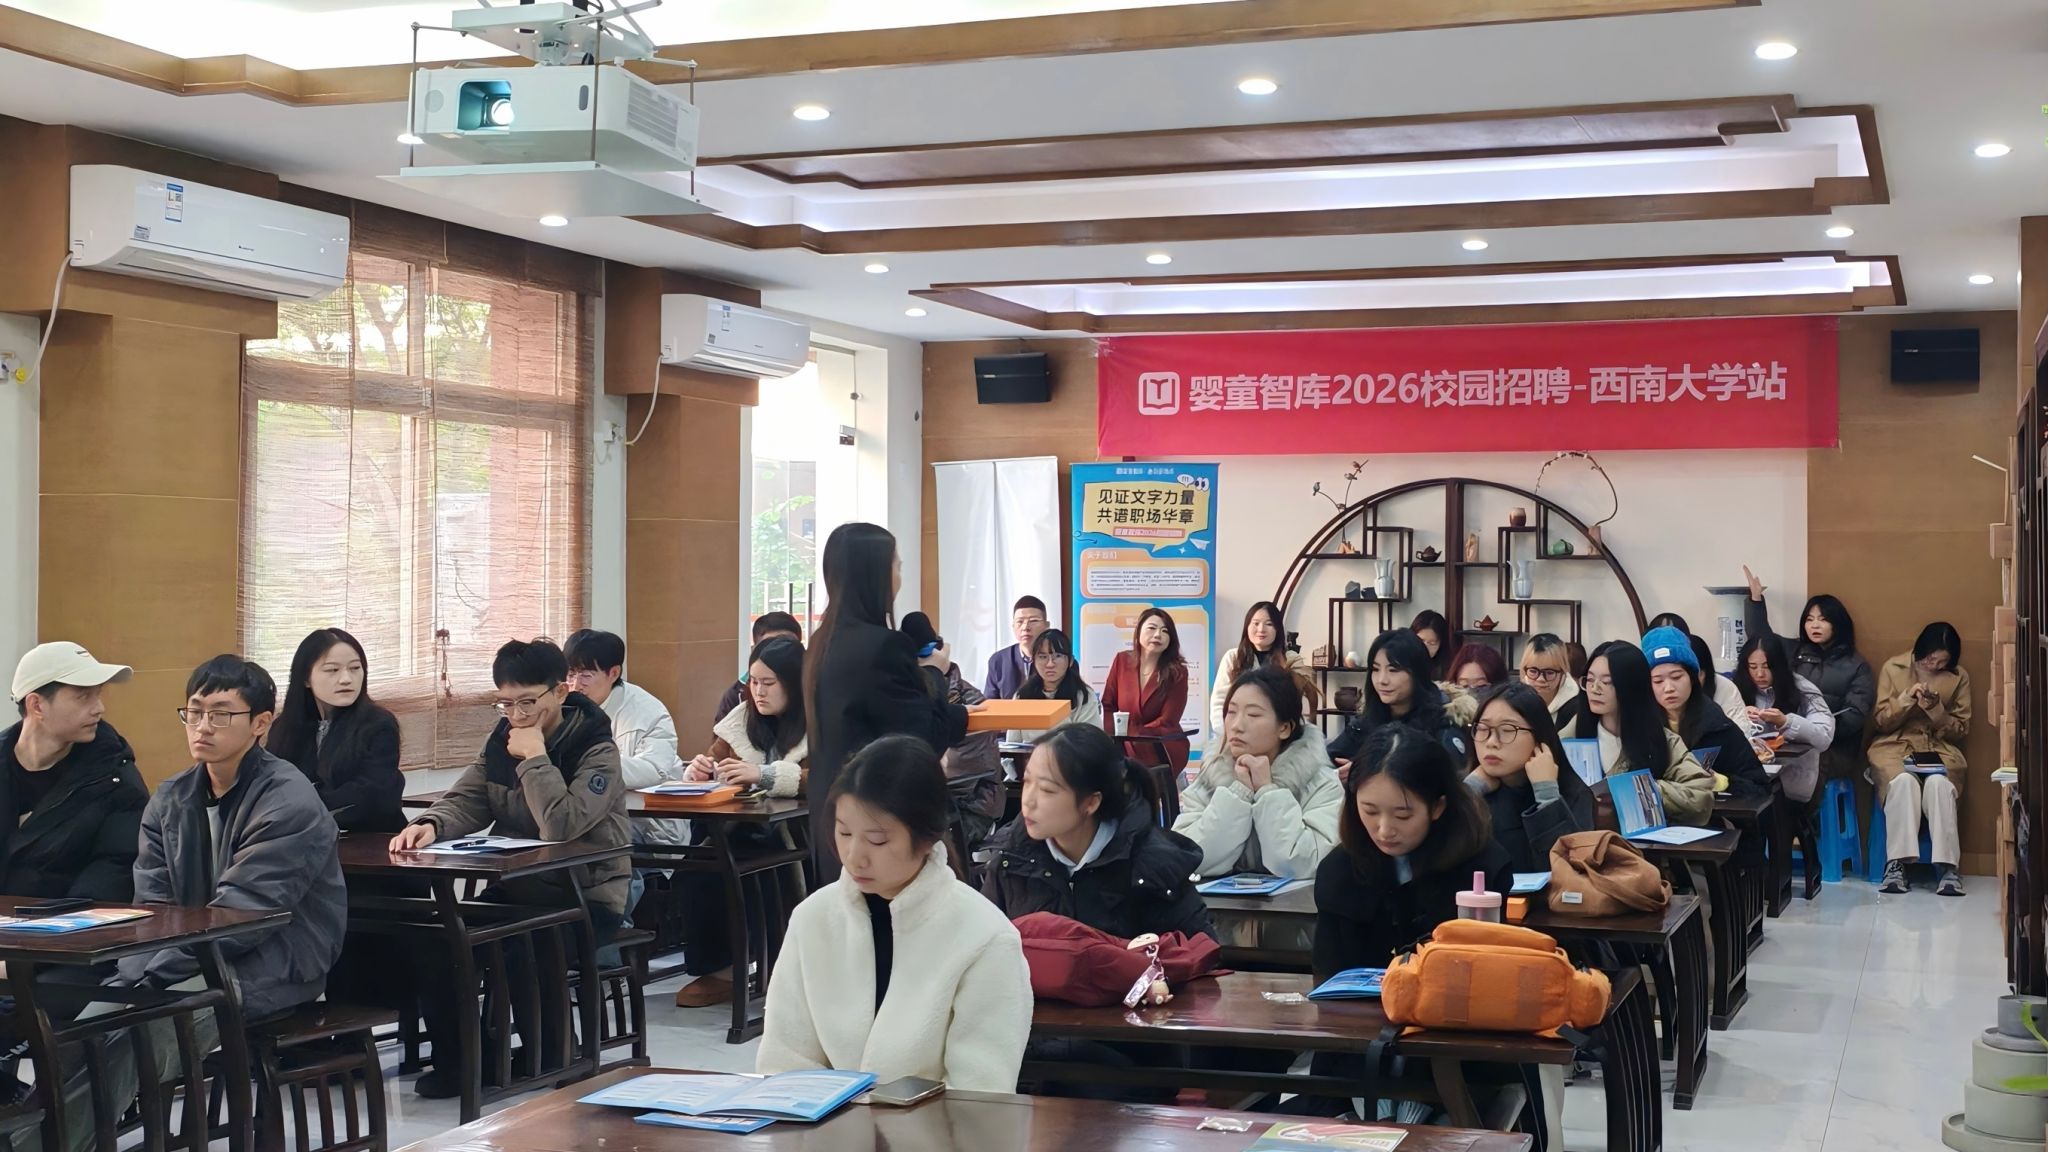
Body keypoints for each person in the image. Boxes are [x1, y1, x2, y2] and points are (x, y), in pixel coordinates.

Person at [394, 638, 632, 1096]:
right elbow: (469, 797)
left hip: (587, 895)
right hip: (521, 888)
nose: (516, 714)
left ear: (559, 691)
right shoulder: (501, 741)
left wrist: (535, 757)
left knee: (525, 943)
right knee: (438, 939)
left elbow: (562, 825)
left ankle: (554, 1054)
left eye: (527, 702)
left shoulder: (596, 748)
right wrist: (430, 824)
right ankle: (467, 1062)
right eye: (505, 703)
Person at [758, 735, 1030, 1093]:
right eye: (844, 832)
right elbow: (783, 1061)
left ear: (927, 837)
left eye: (877, 840)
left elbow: (979, 1094)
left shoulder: (984, 937)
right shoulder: (813, 919)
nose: (854, 856)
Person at [121, 656, 347, 1017]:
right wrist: (137, 974)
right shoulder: (169, 799)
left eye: (221, 715)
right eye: (195, 712)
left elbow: (243, 916)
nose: (203, 727)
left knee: (150, 1019)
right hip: (187, 960)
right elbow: (152, 907)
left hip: (273, 962)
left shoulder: (288, 800)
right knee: (89, 1019)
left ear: (261, 723)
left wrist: (152, 977)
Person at [805, 523, 972, 884]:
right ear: (876, 575)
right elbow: (921, 740)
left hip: (832, 816)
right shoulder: (883, 646)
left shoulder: (820, 643)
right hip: (879, 817)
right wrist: (935, 672)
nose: (899, 577)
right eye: (896, 566)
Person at [1314, 723, 1513, 980]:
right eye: (1370, 811)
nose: (1384, 830)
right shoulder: (1339, 869)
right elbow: (1329, 974)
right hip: (1359, 1004)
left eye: (1403, 815)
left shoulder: (1482, 865)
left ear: (1437, 807)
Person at [982, 723, 1214, 940]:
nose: (1028, 801)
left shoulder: (1153, 868)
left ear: (1091, 802)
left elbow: (1201, 953)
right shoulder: (1010, 860)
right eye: (1027, 782)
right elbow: (982, 947)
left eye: (1046, 790)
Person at [676, 635, 809, 1008]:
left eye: (769, 683)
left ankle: (788, 971)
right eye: (753, 682)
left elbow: (828, 778)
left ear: (795, 683)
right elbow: (715, 760)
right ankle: (721, 971)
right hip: (742, 829)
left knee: (768, 874)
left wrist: (765, 775)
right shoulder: (741, 719)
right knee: (697, 870)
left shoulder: (821, 719)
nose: (759, 692)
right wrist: (701, 772)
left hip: (801, 834)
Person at [2, 642, 148, 901]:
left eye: (98, 694)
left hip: (64, 924)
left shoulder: (116, 779)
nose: (99, 708)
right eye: (83, 696)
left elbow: (115, 870)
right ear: (37, 705)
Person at [1173, 665, 1341, 880]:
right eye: (1231, 712)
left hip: (1297, 902)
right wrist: (1238, 793)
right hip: (1212, 901)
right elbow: (1187, 857)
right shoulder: (1211, 777)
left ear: (1284, 728)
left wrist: (1268, 791)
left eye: (1253, 714)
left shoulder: (1320, 782)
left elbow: (1304, 864)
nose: (1236, 725)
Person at [1742, 566, 1877, 782]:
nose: (1815, 625)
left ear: (1838, 623)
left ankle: (1797, 804)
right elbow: (1762, 640)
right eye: (1809, 619)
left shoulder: (1856, 666)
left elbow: (1854, 717)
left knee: (1804, 767)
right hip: (1785, 739)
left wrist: (1811, 731)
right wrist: (1755, 600)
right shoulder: (1792, 651)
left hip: (1834, 748)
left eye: (1822, 619)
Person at [266, 628, 404, 833]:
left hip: (369, 838)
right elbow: (273, 785)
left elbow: (371, 792)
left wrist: (299, 803)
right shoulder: (284, 727)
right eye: (332, 670)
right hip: (299, 836)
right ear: (305, 678)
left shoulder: (378, 724)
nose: (346, 679)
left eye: (355, 668)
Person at [1870, 623, 1971, 896]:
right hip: (1895, 744)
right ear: (1919, 650)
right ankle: (1897, 864)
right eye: (1929, 659)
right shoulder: (1893, 668)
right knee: (1903, 782)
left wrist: (1936, 709)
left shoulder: (1958, 677)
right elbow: (1880, 721)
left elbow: (1961, 729)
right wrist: (1906, 699)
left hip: (1938, 746)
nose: (1934, 665)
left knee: (1939, 784)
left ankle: (1948, 868)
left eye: (1941, 662)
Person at [1571, 642, 1715, 825]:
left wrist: (1644, 789)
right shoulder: (1569, 737)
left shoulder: (1662, 740)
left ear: (1632, 686)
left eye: (1606, 682)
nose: (1594, 689)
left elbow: (1700, 797)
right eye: (1590, 680)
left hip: (1642, 841)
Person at [565, 628, 686, 846]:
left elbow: (654, 769)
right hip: (588, 814)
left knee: (587, 841)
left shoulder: (648, 711)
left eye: (586, 676)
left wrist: (592, 765)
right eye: (571, 674)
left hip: (647, 824)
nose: (575, 685)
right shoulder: (566, 707)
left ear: (613, 673)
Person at [1464, 683, 1595, 872]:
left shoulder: (1572, 792)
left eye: (1508, 730)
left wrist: (1547, 795)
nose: (1491, 742)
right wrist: (1467, 792)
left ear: (1539, 736)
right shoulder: (1475, 791)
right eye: (1483, 729)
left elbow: (1573, 871)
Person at [1642, 628, 1770, 798]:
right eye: (1658, 681)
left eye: (1677, 677)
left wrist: (1721, 782)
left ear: (1693, 678)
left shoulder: (1717, 725)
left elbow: (1760, 786)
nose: (1669, 688)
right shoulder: (1643, 728)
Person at [1328, 630, 1470, 770]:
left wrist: (1364, 773)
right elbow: (1328, 759)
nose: (1382, 680)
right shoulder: (1367, 720)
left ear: (1417, 673)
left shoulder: (1444, 722)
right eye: (1376, 669)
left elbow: (1445, 778)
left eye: (1393, 670)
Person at [1732, 634, 1836, 804]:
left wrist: (1786, 722)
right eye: (1753, 667)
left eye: (1767, 667)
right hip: (1746, 780)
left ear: (1779, 666)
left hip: (1793, 783)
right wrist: (1738, 715)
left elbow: (1824, 736)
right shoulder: (1734, 691)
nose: (1759, 674)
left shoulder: (1803, 690)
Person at [1099, 608, 1191, 772]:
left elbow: (1168, 720)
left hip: (1160, 744)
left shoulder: (1178, 672)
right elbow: (1108, 704)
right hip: (1122, 742)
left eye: (1165, 631)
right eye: (1152, 628)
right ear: (1138, 631)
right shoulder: (1122, 660)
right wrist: (1112, 737)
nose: (1158, 635)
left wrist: (1133, 735)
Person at [1210, 601, 1310, 733]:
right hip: (1237, 731)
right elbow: (1219, 702)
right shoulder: (1233, 657)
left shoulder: (1291, 659)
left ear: (1278, 629)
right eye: (1256, 623)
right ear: (1247, 626)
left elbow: (1298, 702)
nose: (1261, 629)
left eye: (1269, 624)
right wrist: (1225, 733)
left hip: (1277, 733)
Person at [1010, 628, 1103, 743]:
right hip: (1030, 755)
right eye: (1043, 657)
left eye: (1058, 656)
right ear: (1034, 661)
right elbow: (1012, 744)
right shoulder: (1022, 696)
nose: (1050, 664)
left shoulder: (1083, 696)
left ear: (1070, 661)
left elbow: (1092, 742)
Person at [717, 612, 803, 721]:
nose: (759, 692)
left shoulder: (817, 692)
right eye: (770, 647)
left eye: (787, 646)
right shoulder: (737, 696)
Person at [984, 596, 1051, 701]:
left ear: (1046, 625)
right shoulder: (998, 660)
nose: (1025, 627)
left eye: (1033, 621)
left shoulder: (1060, 659)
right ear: (1013, 626)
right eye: (1020, 622)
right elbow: (990, 703)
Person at [1519, 633, 1585, 729]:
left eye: (1549, 672)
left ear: (1563, 671)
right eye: (1533, 671)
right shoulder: (1516, 701)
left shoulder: (1578, 708)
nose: (1540, 679)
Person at [1409, 610, 1451, 681]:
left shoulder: (1447, 668)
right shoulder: (1400, 662)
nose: (1425, 647)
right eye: (1420, 641)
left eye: (1432, 643)